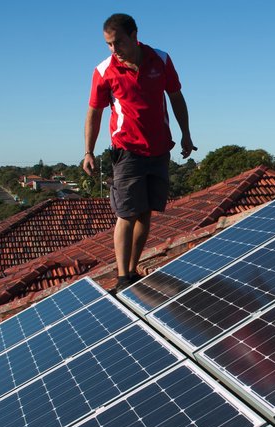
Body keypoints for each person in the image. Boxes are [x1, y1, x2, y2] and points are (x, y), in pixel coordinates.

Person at [82, 13, 194, 292]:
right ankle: (122, 278)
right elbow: (94, 112)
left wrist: (186, 134)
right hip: (127, 151)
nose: (113, 48)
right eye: (108, 44)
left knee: (145, 213)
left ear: (134, 35)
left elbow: (176, 96)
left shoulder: (161, 59)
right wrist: (88, 151)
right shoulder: (104, 70)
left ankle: (132, 270)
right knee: (126, 213)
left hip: (158, 149)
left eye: (118, 41)